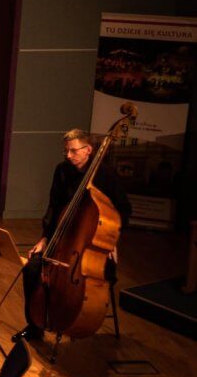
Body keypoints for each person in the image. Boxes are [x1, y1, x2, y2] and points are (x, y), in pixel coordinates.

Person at [14, 127, 132, 342]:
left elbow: (124, 209)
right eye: (66, 151)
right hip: (64, 242)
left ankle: (70, 321)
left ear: (88, 150)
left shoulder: (106, 175)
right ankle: (34, 326)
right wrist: (44, 238)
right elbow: (54, 206)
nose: (68, 156)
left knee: (80, 283)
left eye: (73, 151)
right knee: (31, 267)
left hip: (92, 249)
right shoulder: (62, 171)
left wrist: (111, 240)